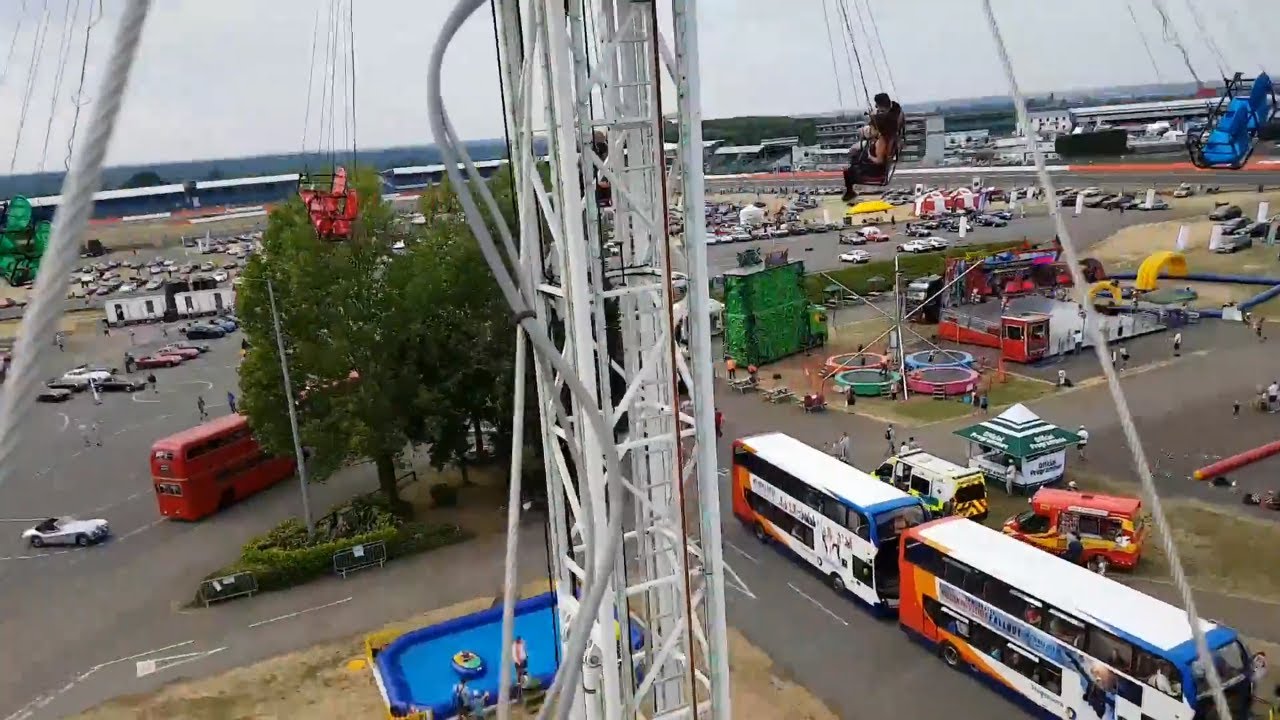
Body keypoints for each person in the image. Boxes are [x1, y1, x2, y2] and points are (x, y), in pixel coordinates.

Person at [841, 112, 896, 202]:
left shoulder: (881, 141)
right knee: (853, 162)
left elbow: (879, 161)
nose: (870, 130)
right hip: (876, 168)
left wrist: (870, 156)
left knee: (848, 170)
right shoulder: (884, 138)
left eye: (872, 128)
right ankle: (849, 192)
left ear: (878, 129)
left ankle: (849, 192)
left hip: (875, 171)